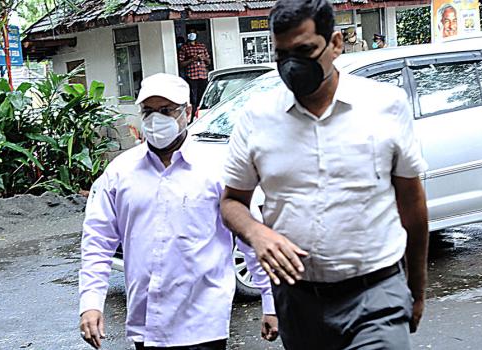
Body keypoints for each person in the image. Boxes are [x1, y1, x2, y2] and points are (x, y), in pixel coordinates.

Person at [220, 0, 429, 349]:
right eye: (281, 54)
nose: (292, 65)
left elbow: (412, 200)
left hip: (376, 292)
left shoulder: (385, 106)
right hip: (297, 300)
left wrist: (417, 290)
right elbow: (231, 202)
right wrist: (256, 233)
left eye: (304, 50)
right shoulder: (256, 118)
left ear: (335, 44)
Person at [78, 73, 278, 350]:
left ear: (187, 112)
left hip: (204, 321)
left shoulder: (218, 169)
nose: (155, 119)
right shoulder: (119, 173)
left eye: (166, 111)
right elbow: (97, 242)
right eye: (148, 111)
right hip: (146, 321)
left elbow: (251, 239)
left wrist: (270, 301)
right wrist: (90, 303)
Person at [178, 29, 211, 122]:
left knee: (203, 97)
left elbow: (209, 61)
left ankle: (202, 116)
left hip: (203, 75)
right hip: (192, 76)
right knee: (193, 99)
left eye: (194, 33)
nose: (192, 35)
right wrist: (193, 59)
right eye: (190, 33)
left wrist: (203, 58)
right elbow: (181, 64)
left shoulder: (202, 46)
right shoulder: (184, 48)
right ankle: (192, 118)